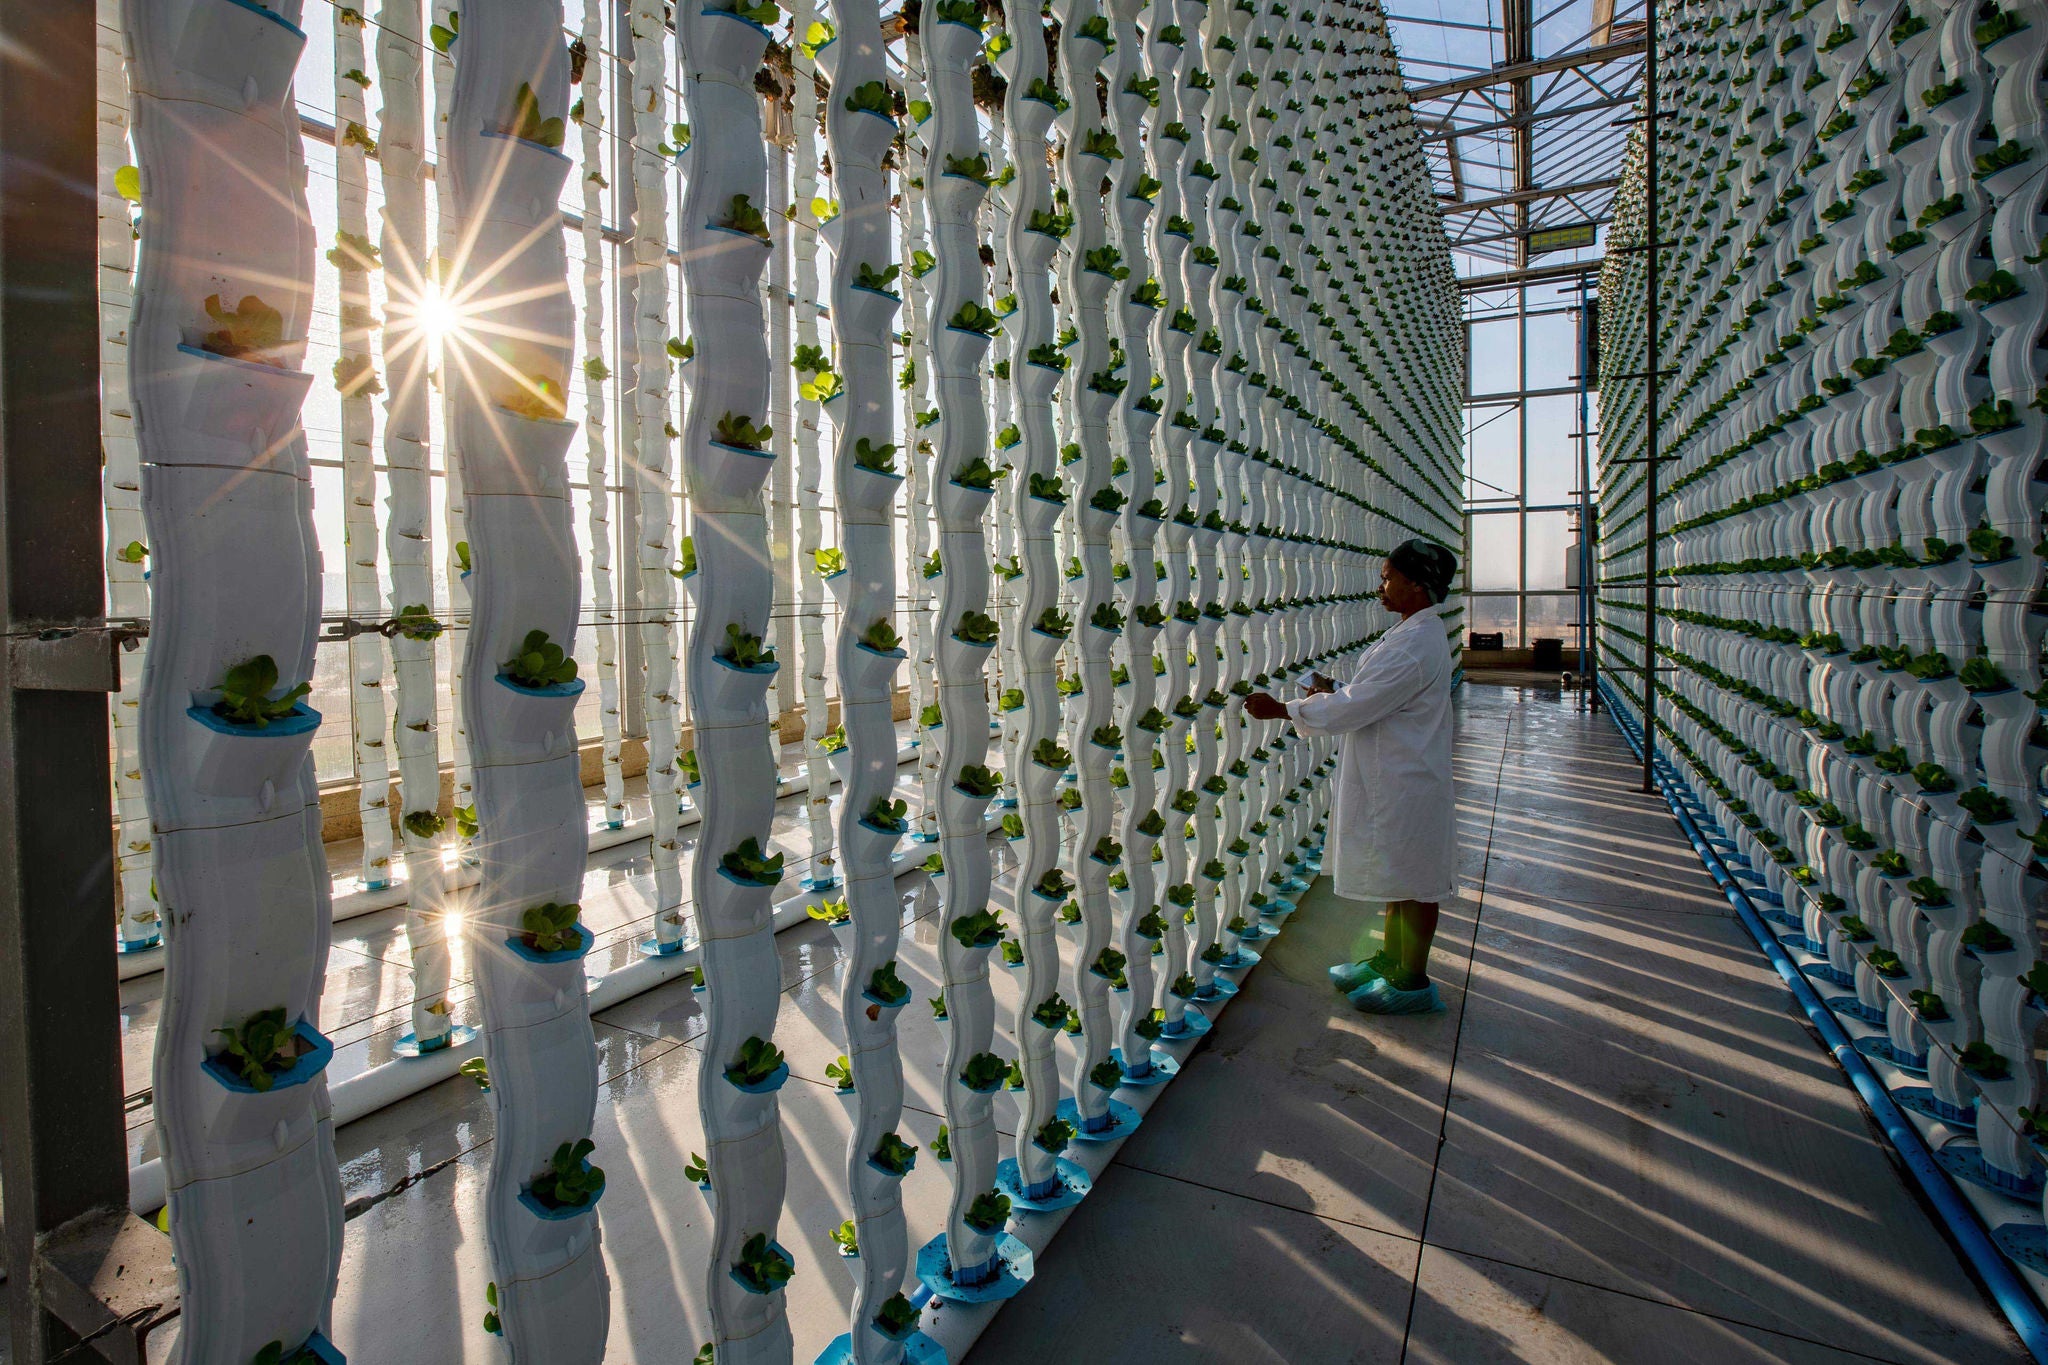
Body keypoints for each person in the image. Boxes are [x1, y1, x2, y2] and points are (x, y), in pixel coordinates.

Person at [1243, 539, 1459, 1014]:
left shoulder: (1415, 644)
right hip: (1396, 770)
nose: (1381, 586)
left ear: (1417, 585)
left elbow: (1360, 706)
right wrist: (1334, 689)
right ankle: (1389, 960)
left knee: (1414, 881)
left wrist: (1283, 709)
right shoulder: (1412, 633)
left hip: (1406, 778)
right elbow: (1375, 696)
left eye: (1388, 577)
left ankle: (1412, 983)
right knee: (1397, 876)